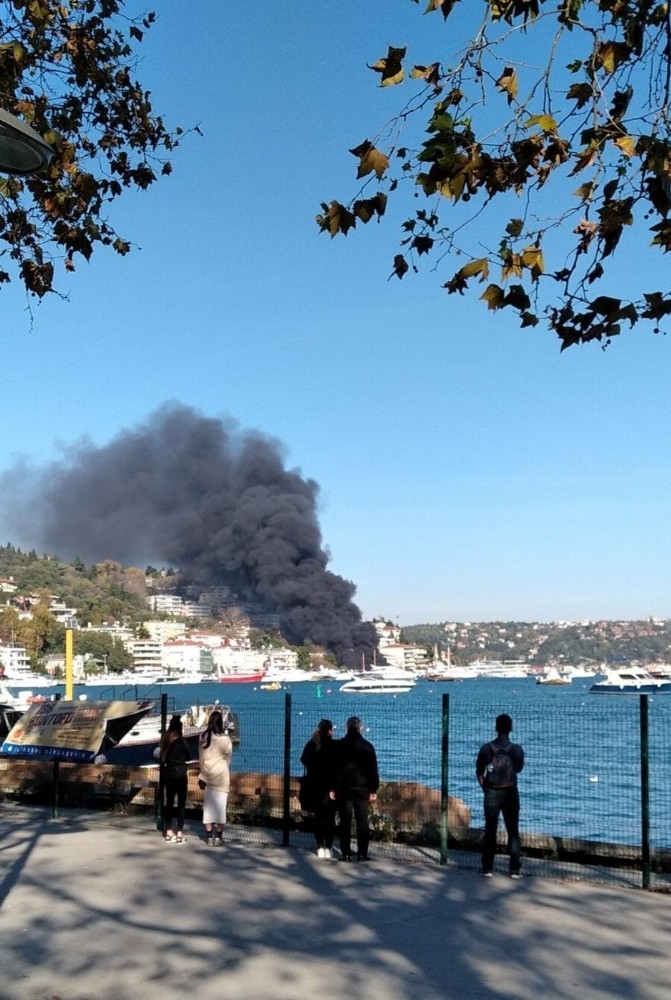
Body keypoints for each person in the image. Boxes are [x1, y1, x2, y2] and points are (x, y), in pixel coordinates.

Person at [475, 713, 525, 879]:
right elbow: (518, 769)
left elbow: (479, 772)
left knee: (490, 830)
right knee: (513, 831)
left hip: (492, 792)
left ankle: (487, 867)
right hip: (511, 792)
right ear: (510, 729)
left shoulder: (486, 749)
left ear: (496, 728)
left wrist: (486, 788)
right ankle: (515, 869)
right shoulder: (516, 750)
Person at [331, 716, 379, 862]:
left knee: (345, 821)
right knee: (362, 821)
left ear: (346, 728)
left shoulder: (339, 746)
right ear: (360, 728)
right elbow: (373, 770)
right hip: (362, 789)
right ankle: (362, 853)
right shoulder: (367, 746)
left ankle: (345, 853)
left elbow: (334, 769)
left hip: (344, 789)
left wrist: (333, 787)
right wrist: (373, 789)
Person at [300, 718, 339, 859]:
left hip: (314, 786)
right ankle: (328, 847)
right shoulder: (334, 746)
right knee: (330, 818)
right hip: (330, 787)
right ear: (330, 730)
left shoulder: (312, 744)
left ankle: (319, 845)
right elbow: (339, 767)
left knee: (318, 817)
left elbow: (303, 760)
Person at [198, 708, 233, 847]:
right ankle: (219, 836)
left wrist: (202, 774)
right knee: (220, 808)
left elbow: (201, 758)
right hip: (222, 777)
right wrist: (223, 766)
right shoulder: (225, 739)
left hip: (207, 776)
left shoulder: (203, 737)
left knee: (208, 808)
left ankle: (209, 836)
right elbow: (228, 757)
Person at [160, 714, 191, 843]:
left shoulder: (165, 740)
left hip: (169, 773)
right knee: (181, 804)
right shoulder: (181, 741)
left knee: (169, 803)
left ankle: (168, 831)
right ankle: (179, 833)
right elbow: (189, 756)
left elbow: (162, 758)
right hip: (180, 773)